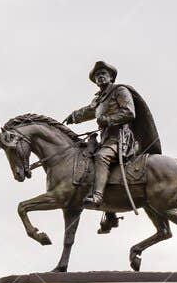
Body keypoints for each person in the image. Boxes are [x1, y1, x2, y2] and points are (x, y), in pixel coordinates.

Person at [63, 60, 162, 230]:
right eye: (97, 75)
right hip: (107, 140)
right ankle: (110, 214)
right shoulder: (99, 99)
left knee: (101, 157)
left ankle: (98, 197)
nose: (100, 77)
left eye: (103, 74)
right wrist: (74, 116)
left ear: (111, 77)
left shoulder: (120, 91)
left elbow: (129, 112)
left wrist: (108, 120)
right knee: (86, 160)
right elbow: (90, 111)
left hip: (121, 140)